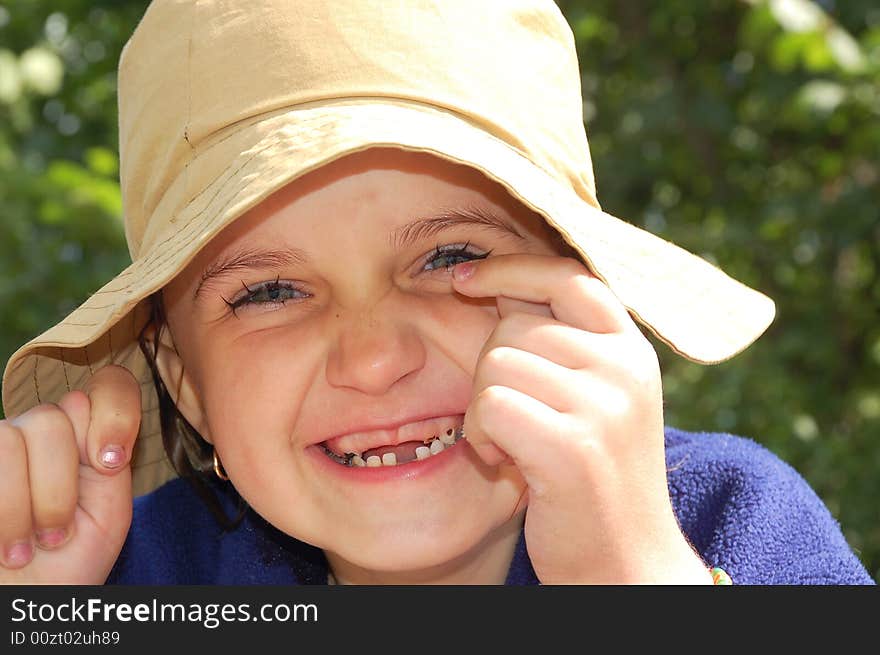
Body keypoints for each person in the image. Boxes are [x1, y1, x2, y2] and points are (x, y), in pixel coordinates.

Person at [0, 0, 873, 585]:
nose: (376, 358)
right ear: (184, 382)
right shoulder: (139, 570)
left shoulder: (722, 519)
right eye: (268, 290)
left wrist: (635, 580)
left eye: (450, 255)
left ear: (579, 293)